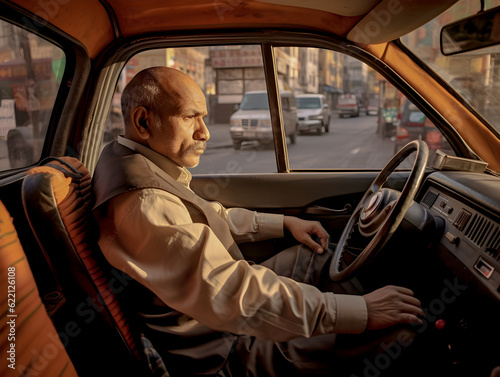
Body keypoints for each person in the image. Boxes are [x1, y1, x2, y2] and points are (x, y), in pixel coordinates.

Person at [92, 67, 424, 377]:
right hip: (223, 351)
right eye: (190, 117)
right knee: (399, 337)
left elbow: (204, 216)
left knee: (314, 256)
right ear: (143, 122)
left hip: (218, 319)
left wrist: (282, 223)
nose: (205, 132)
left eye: (204, 118)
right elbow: (232, 292)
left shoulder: (136, 163)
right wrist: (361, 312)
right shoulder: (143, 201)